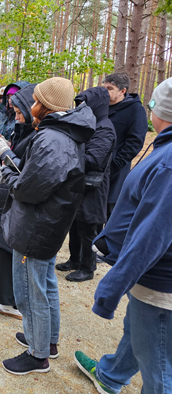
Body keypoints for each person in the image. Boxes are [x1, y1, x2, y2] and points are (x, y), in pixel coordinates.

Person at [74, 77, 172, 394]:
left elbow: (152, 234)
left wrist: (113, 286)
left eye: (153, 105)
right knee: (139, 329)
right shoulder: (165, 149)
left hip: (160, 284)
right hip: (152, 280)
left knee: (157, 363)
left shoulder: (168, 164)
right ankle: (111, 374)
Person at [0, 77, 95, 375]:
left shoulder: (52, 139)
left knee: (30, 291)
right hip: (49, 222)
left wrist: (7, 173)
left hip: (36, 225)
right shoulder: (64, 132)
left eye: (36, 99)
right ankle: (46, 340)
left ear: (47, 105)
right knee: (46, 283)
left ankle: (38, 355)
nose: (31, 104)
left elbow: (29, 189)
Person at [0, 83, 37, 319]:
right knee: (3, 246)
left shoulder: (39, 135)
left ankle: (12, 300)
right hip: (10, 195)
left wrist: (6, 156)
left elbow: (29, 172)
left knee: (13, 251)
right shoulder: (23, 129)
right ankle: (3, 297)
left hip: (23, 202)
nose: (15, 117)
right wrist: (2, 172)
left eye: (18, 112)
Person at [55, 87, 116, 282]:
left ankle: (87, 267)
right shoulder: (88, 124)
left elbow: (94, 159)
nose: (81, 107)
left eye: (85, 103)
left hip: (93, 188)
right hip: (79, 183)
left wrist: (67, 155)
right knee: (74, 223)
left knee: (88, 228)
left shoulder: (104, 128)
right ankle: (74, 259)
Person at [102, 73, 147, 219]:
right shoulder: (101, 107)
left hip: (116, 173)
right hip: (94, 171)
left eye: (110, 88)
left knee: (111, 214)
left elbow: (135, 141)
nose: (105, 92)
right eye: (104, 88)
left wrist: (115, 163)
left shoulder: (135, 110)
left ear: (123, 91)